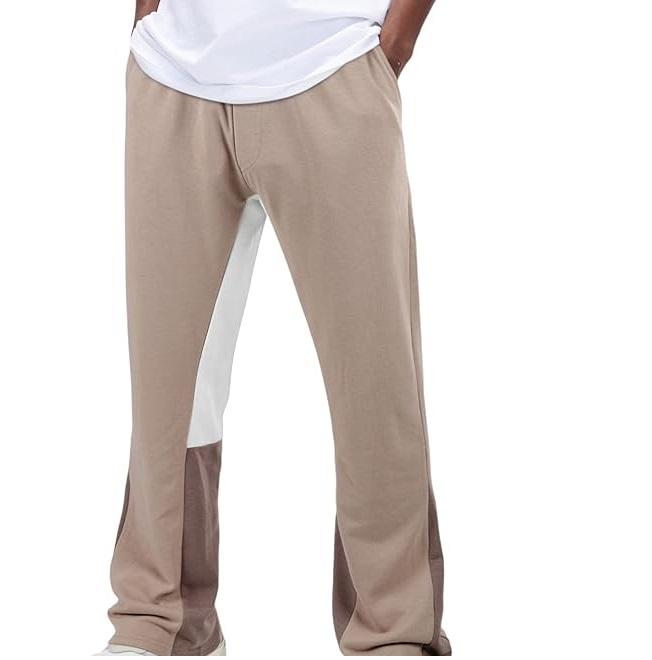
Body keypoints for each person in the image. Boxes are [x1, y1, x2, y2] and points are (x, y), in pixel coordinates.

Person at [99, 0, 450, 655]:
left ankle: (393, 632)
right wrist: (148, 18)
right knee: (169, 389)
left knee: (375, 383)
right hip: (173, 72)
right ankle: (161, 623)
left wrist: (395, 41)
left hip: (333, 63)